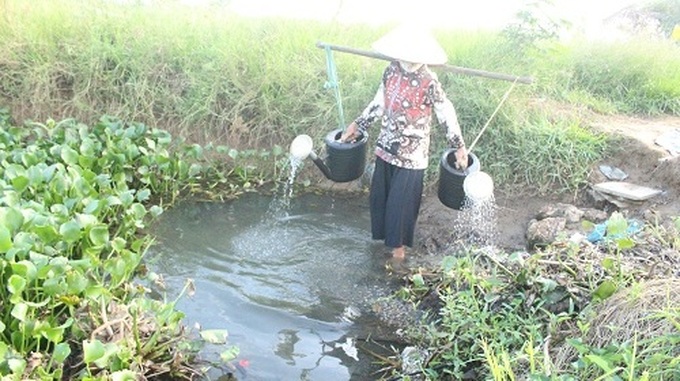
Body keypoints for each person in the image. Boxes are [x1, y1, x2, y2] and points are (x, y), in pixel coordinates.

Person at [340, 25, 468, 261]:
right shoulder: (391, 71)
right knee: (380, 203)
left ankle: (398, 261)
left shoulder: (429, 81)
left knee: (399, 211)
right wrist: (358, 125)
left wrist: (458, 145)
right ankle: (382, 255)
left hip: (411, 158)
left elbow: (445, 112)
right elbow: (379, 102)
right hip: (385, 150)